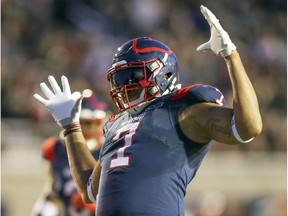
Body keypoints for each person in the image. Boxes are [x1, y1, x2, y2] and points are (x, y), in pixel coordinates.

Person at [33, 5, 262, 216]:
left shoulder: (182, 108)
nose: (123, 86)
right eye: (119, 79)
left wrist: (231, 56)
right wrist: (70, 127)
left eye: (131, 76)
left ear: (164, 75)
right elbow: (89, 190)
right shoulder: (116, 125)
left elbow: (248, 128)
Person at [31, 90, 109, 216]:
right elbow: (52, 188)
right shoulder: (55, 148)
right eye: (80, 122)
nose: (83, 128)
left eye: (89, 123)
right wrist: (42, 208)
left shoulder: (109, 151)